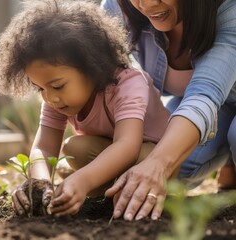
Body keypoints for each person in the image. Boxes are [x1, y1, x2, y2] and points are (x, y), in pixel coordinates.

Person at [0, 0, 170, 217]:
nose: (50, 97)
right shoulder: (56, 96)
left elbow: (127, 145)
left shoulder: (128, 84)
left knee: (141, 157)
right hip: (113, 154)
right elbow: (44, 146)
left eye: (57, 86)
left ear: (91, 66)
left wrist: (82, 181)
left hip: (156, 158)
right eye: (40, 89)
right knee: (75, 149)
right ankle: (105, 193)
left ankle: (134, 194)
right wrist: (38, 183)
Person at [101, 0, 236, 221]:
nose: (147, 3)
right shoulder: (117, 8)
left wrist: (159, 163)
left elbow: (205, 93)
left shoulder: (230, 9)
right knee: (176, 167)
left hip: (207, 100)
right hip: (205, 108)